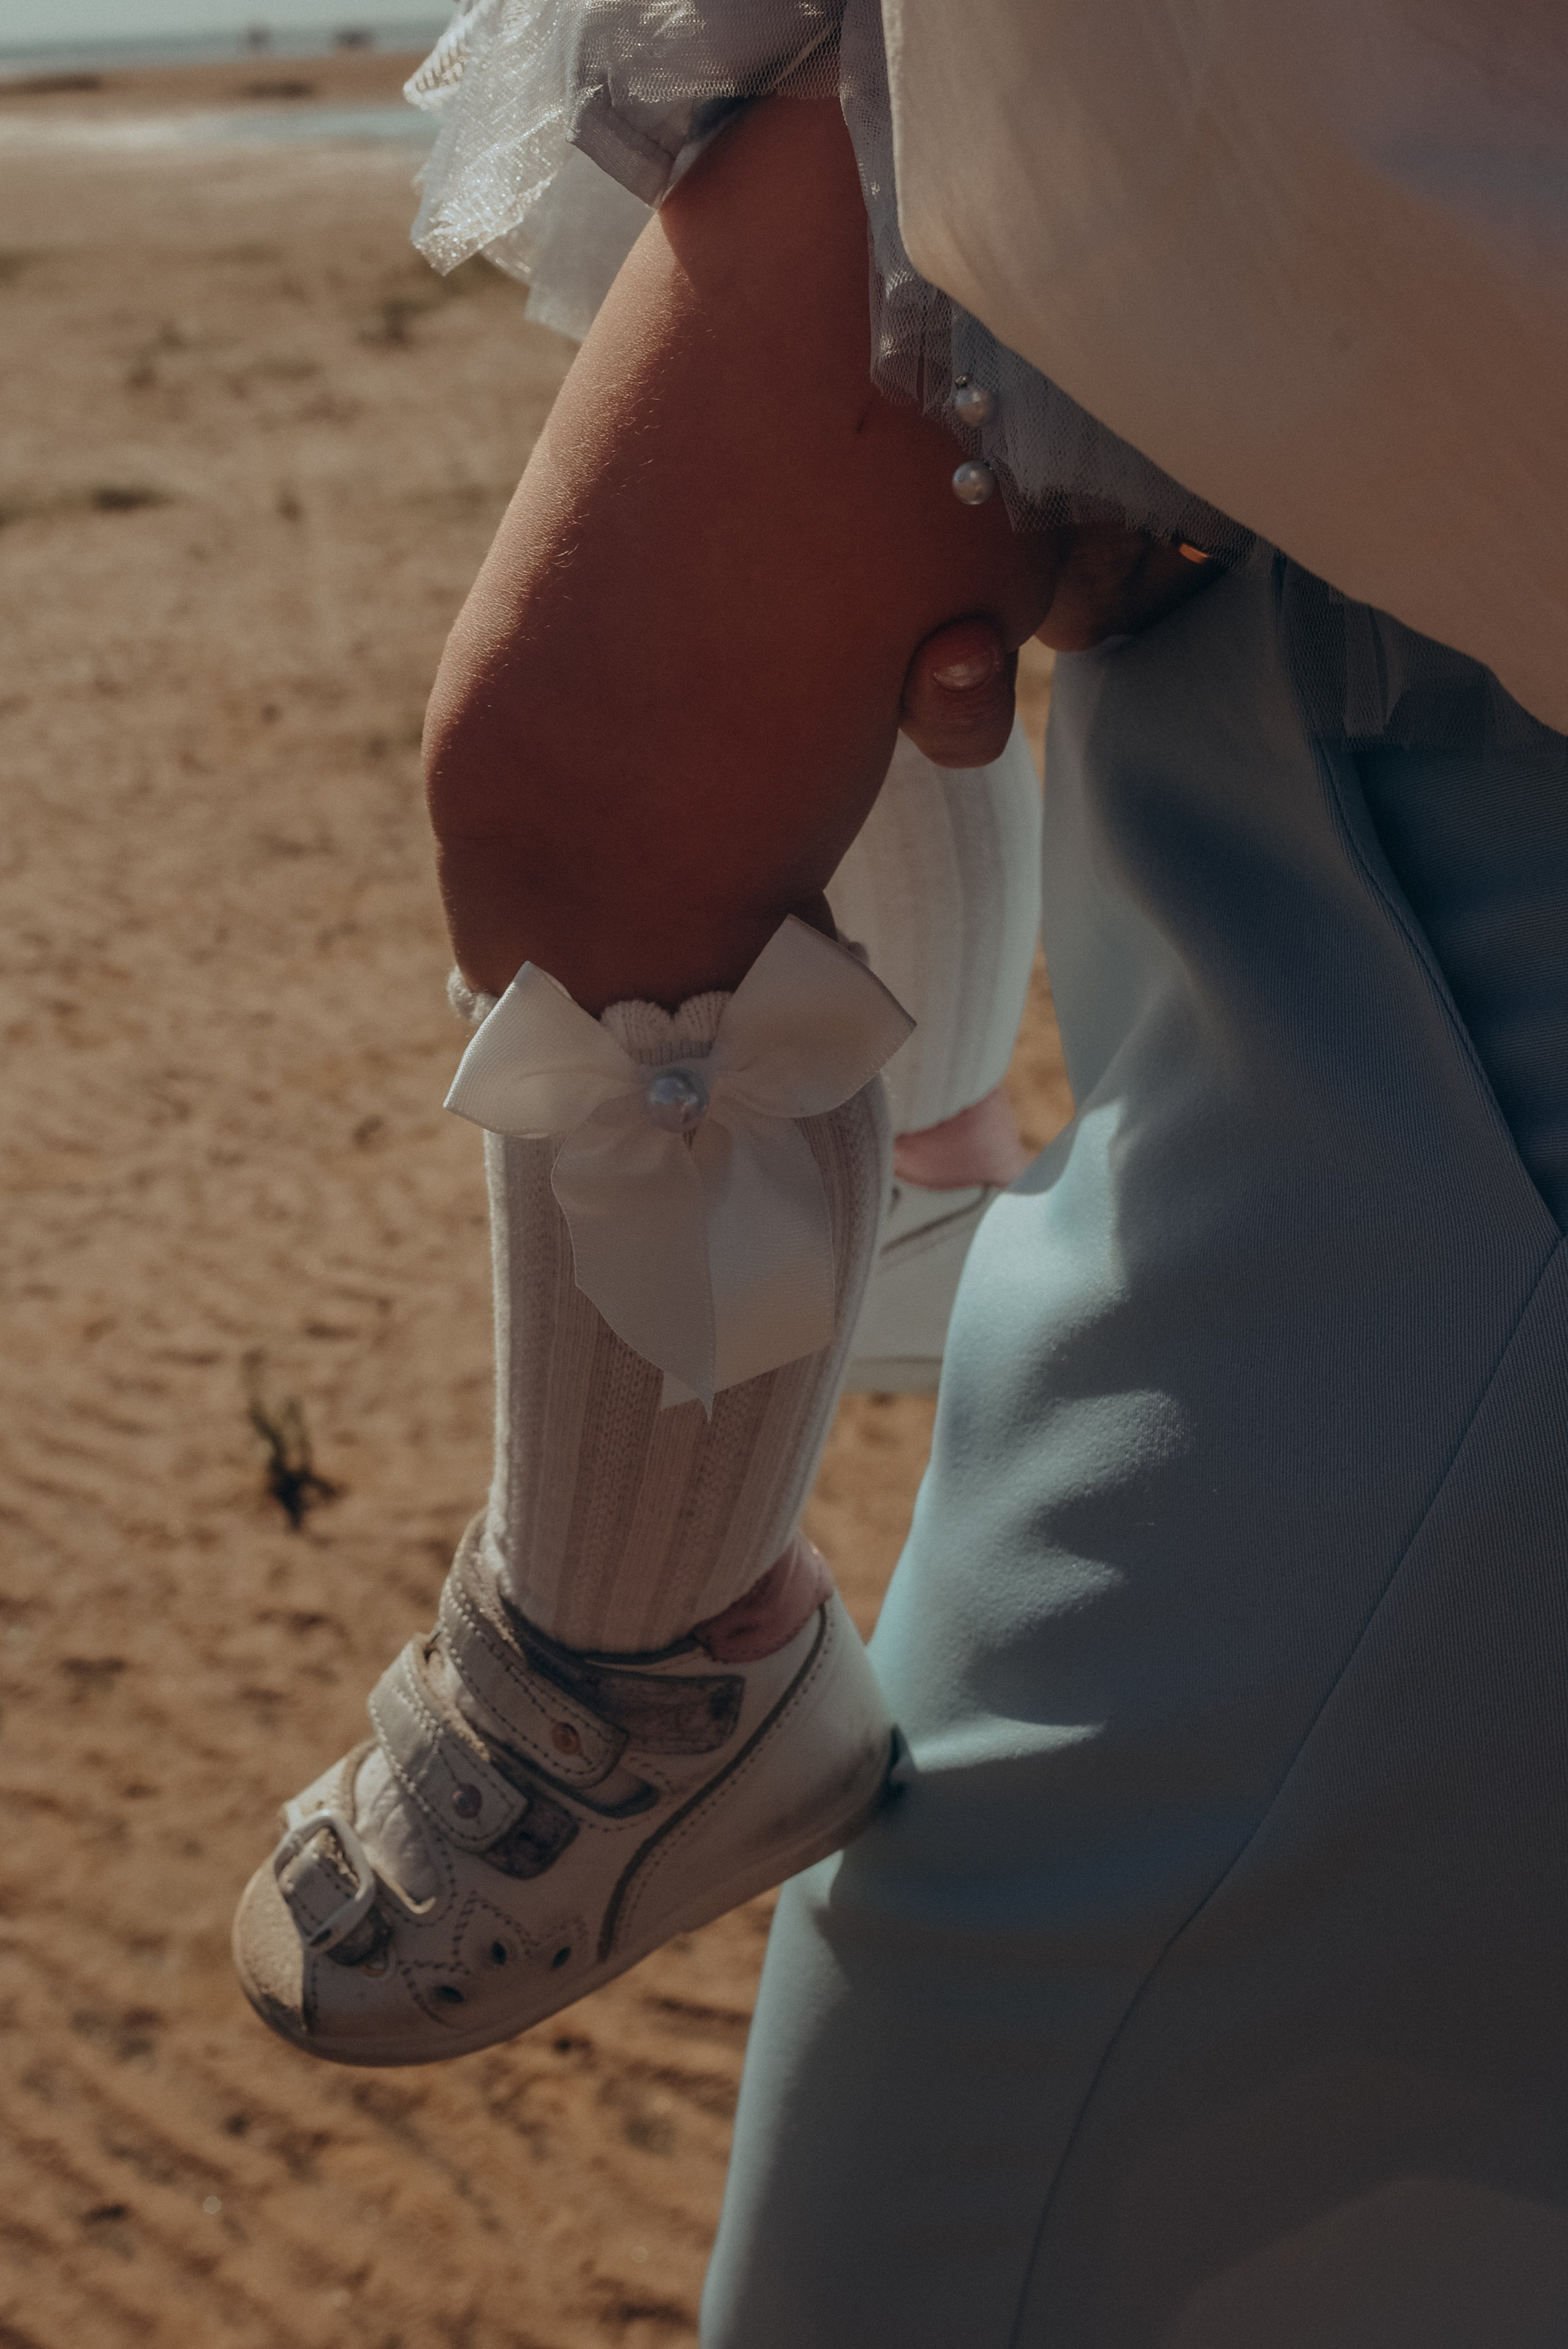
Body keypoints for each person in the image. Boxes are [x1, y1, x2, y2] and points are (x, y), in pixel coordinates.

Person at [235, 2, 1568, 2340]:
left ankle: (645, 1666)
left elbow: (595, 757)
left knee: (956, 2229)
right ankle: (925, 1195)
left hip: (1437, 1139)